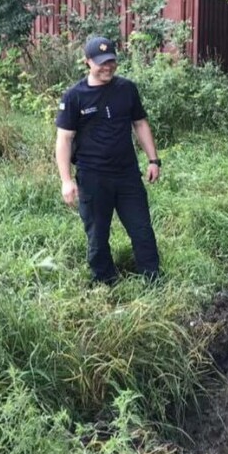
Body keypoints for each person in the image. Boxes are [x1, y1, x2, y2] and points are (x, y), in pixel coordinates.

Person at [54, 36, 162, 285]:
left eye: (111, 61)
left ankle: (153, 279)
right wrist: (66, 181)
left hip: (127, 175)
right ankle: (105, 282)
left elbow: (140, 123)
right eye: (101, 62)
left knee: (142, 229)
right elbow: (64, 140)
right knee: (97, 234)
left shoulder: (127, 89)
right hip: (93, 177)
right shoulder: (74, 96)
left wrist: (153, 160)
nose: (107, 67)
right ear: (88, 62)